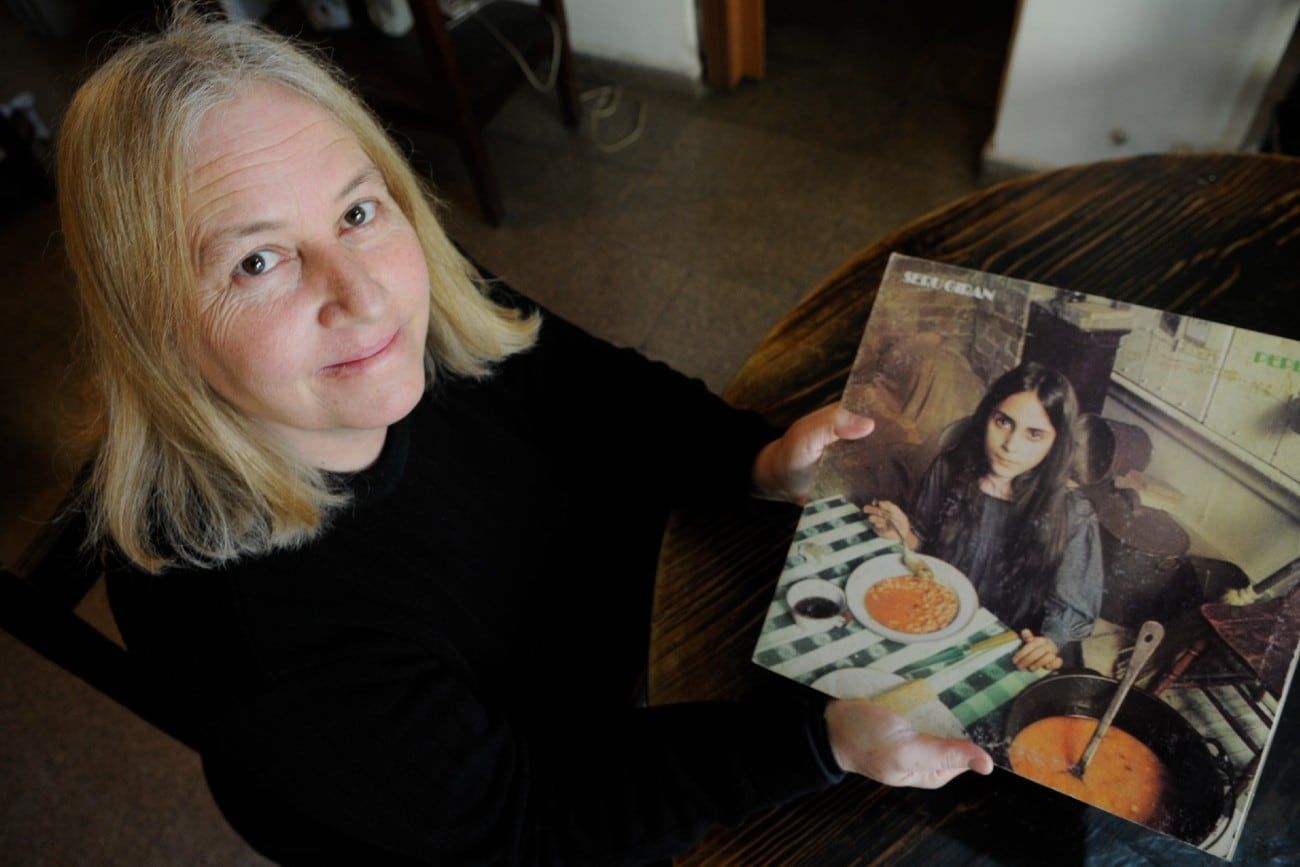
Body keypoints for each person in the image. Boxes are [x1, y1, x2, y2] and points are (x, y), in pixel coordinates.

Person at [56, 10, 991, 865]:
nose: (367, 293)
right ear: (152, 324)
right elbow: (525, 818)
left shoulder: (405, 303)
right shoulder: (231, 621)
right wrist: (813, 744)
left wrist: (746, 457)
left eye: (356, 209)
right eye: (257, 261)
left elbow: (586, 384)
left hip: (621, 652)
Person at [864, 362, 1103, 672]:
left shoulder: (1073, 513)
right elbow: (919, 540)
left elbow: (1072, 610)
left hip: (1005, 646)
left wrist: (1049, 643)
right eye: (1003, 422)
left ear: (1056, 443)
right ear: (987, 415)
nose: (1010, 445)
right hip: (933, 619)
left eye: (1034, 434)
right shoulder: (950, 467)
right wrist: (900, 531)